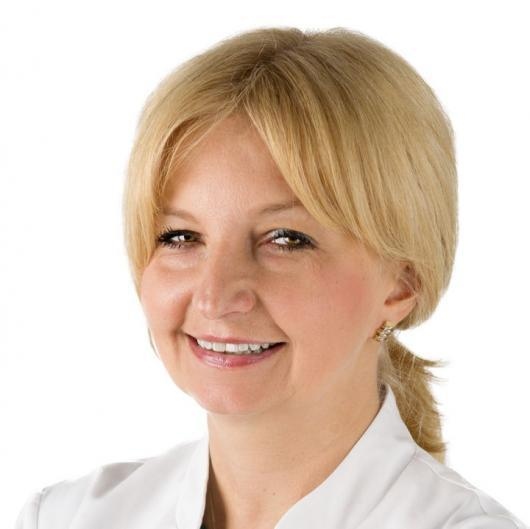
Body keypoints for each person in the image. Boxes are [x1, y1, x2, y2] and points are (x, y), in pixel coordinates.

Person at [15, 26, 528, 529]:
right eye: (180, 237)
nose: (215, 297)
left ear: (402, 283)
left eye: (285, 239)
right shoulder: (65, 518)